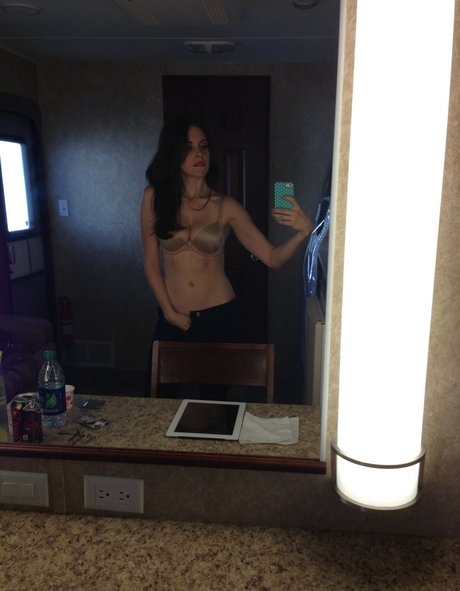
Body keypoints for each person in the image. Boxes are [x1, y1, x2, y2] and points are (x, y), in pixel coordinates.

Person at [140, 117, 313, 345]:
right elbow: (151, 262)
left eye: (203, 147)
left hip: (218, 316)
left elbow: (273, 258)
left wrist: (303, 232)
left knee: (220, 370)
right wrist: (168, 310)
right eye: (188, 148)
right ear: (173, 153)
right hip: (173, 315)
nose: (199, 154)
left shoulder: (226, 207)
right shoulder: (154, 198)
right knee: (159, 370)